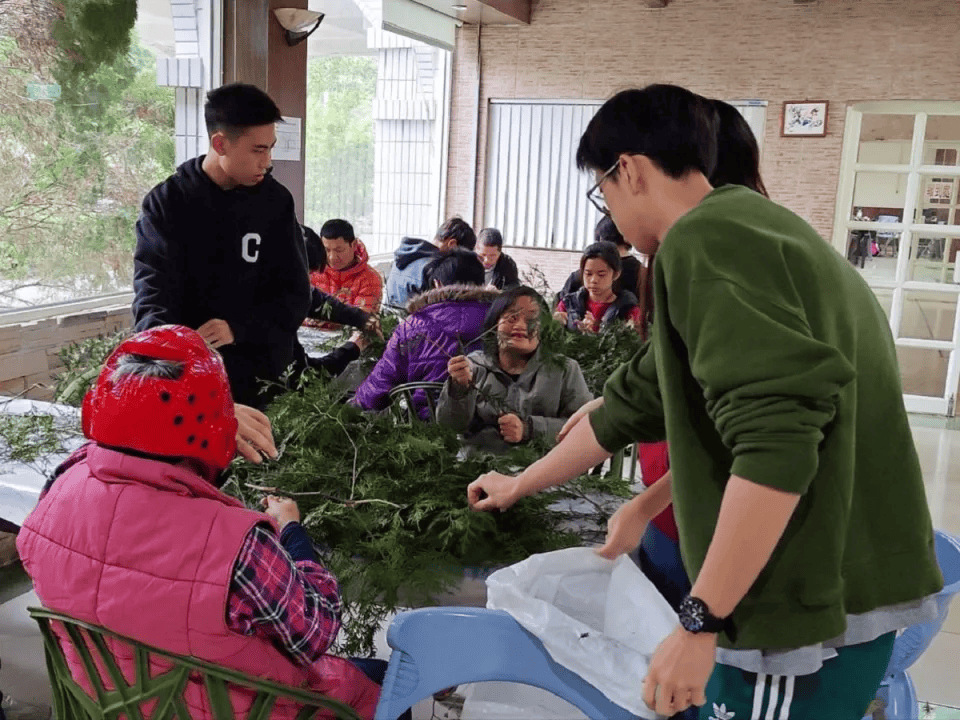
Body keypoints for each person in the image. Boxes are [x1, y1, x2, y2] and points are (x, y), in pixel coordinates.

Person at [466, 84, 943, 719]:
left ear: (628, 170)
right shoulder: (759, 231)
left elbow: (776, 443)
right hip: (831, 576)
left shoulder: (704, 244)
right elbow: (630, 406)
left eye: (601, 188)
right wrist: (520, 483)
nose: (608, 210)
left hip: (805, 599)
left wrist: (698, 621)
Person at [16, 326, 391, 720]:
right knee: (381, 677)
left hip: (112, 700)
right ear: (213, 427)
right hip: (228, 709)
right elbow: (317, 631)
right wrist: (292, 532)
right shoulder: (240, 546)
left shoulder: (60, 485)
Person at [132, 83, 310, 409]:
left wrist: (238, 328)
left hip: (267, 381)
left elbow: (296, 297)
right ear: (220, 143)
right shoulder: (167, 204)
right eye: (258, 150)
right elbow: (151, 296)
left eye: (270, 148)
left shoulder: (276, 202)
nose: (268, 161)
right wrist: (174, 349)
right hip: (193, 383)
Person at [437, 286, 591, 455]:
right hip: (478, 470)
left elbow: (582, 428)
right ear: (495, 323)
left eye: (532, 320)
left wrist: (529, 428)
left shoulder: (564, 370)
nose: (520, 326)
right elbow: (450, 428)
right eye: (512, 317)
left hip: (541, 473)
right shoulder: (474, 366)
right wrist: (459, 388)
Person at [354, 248, 497, 419]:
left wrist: (351, 408)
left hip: (425, 426)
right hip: (488, 423)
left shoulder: (413, 325)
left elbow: (382, 381)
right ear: (482, 283)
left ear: (437, 284)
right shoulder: (502, 320)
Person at [384, 216, 476, 307]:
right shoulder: (435, 268)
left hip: (390, 319)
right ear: (452, 244)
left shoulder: (403, 256)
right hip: (415, 320)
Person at [308, 219, 382, 329]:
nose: (332, 257)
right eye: (327, 250)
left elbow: (365, 319)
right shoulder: (313, 271)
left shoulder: (370, 278)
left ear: (354, 245)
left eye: (339, 250)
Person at [554, 241, 642, 333]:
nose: (593, 280)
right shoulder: (568, 304)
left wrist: (595, 332)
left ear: (616, 274)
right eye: (588, 274)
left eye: (601, 275)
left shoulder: (629, 311)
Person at [558, 217, 642, 300]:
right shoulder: (643, 274)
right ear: (628, 238)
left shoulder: (579, 276)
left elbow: (559, 306)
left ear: (600, 238)